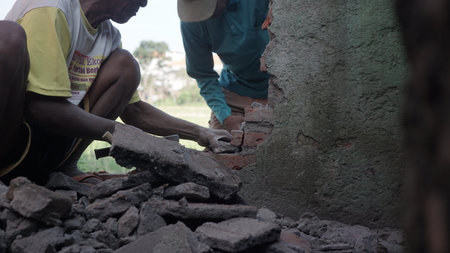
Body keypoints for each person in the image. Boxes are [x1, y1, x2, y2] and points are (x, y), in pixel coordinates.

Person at [0, 0, 231, 185]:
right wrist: (134, 138)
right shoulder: (50, 8)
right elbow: (41, 108)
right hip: (11, 140)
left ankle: (62, 169)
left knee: (125, 65)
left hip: (44, 148)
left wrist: (199, 132)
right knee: (7, 36)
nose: (144, 4)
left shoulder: (108, 37)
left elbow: (135, 112)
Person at [178, 0, 271, 132]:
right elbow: (203, 75)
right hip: (233, 95)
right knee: (219, 143)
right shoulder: (192, 22)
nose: (204, 14)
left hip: (279, 91)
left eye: (206, 7)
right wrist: (225, 117)